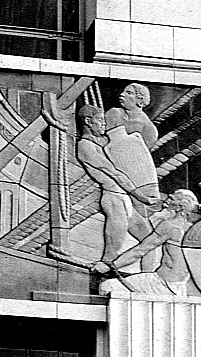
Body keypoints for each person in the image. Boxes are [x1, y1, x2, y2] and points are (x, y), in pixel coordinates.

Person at [62, 101, 161, 272]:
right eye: (100, 120)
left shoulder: (100, 144)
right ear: (88, 121)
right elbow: (114, 173)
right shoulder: (85, 146)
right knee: (111, 254)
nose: (104, 124)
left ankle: (146, 276)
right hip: (114, 200)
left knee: (150, 241)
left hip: (123, 199)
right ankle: (100, 276)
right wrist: (141, 197)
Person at [92, 189, 201, 296]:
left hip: (162, 285)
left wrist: (109, 266)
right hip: (179, 287)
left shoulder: (171, 226)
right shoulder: (193, 229)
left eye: (171, 199)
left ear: (180, 207)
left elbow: (140, 251)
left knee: (106, 286)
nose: (166, 200)